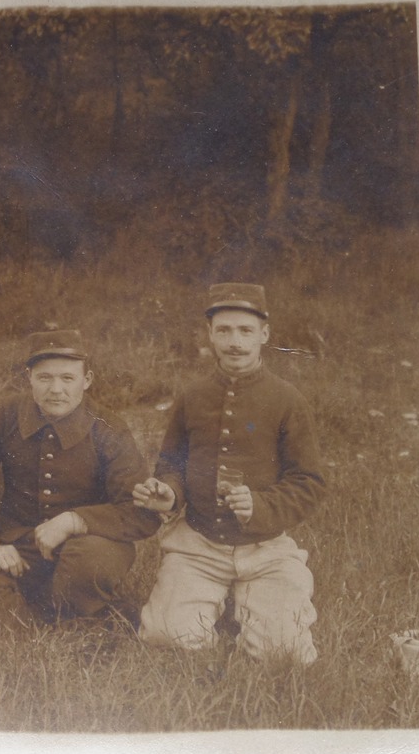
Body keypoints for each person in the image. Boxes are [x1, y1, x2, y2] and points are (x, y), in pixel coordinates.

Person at [133, 283, 326, 664]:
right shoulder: (193, 396)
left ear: (264, 335)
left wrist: (260, 504)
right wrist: (169, 493)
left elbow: (309, 483)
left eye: (245, 331)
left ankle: (256, 607)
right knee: (165, 637)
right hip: (199, 545)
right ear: (209, 335)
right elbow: (172, 463)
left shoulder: (287, 400)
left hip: (265, 548)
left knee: (283, 654)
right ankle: (213, 603)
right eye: (224, 331)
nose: (234, 342)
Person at [0, 330, 160, 632]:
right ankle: (52, 623)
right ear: (28, 377)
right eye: (45, 378)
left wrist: (74, 521)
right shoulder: (4, 414)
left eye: (68, 379)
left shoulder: (108, 428)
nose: (56, 389)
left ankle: (71, 608)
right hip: (17, 547)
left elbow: (142, 513)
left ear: (87, 380)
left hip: (86, 547)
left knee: (91, 561)